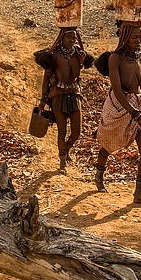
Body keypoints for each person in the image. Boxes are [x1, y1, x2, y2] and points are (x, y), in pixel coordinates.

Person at [94, 21, 141, 207]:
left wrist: (138, 111)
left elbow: (136, 87)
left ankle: (139, 194)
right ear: (124, 37)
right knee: (110, 143)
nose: (139, 40)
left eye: (140, 37)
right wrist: (133, 112)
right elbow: (118, 90)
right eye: (134, 37)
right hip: (119, 106)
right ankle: (99, 173)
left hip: (138, 105)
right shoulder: (115, 58)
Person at [36, 27, 92, 172]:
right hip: (58, 95)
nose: (72, 40)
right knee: (62, 131)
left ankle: (66, 150)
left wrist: (82, 60)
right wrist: (43, 99)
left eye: (74, 38)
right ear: (62, 39)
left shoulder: (79, 54)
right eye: (69, 37)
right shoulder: (53, 55)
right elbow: (47, 77)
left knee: (76, 132)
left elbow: (80, 70)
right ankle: (62, 162)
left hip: (74, 94)